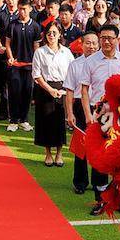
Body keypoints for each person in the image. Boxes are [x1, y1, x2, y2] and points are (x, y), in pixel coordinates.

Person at [31, 22, 72, 169]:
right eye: (49, 33)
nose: (52, 35)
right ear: (45, 35)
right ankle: (48, 153)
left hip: (62, 88)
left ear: (60, 34)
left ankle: (59, 153)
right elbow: (36, 74)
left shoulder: (66, 52)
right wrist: (49, 89)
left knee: (60, 121)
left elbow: (72, 72)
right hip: (45, 88)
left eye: (55, 32)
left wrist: (65, 90)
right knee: (45, 121)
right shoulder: (40, 52)